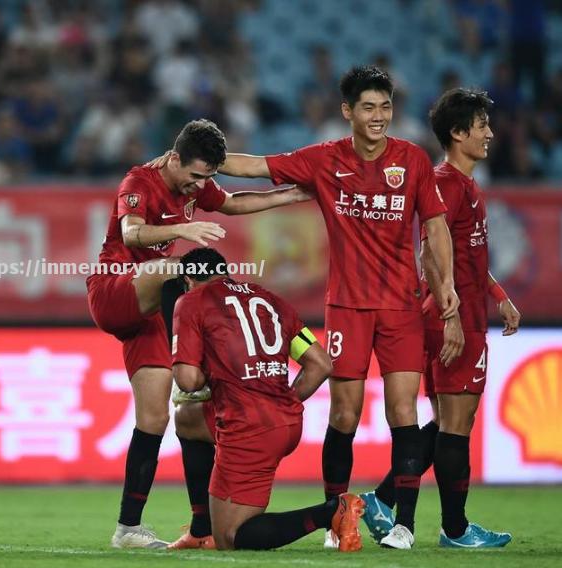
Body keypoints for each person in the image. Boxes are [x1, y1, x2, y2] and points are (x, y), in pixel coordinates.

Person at [177, 66, 461, 549]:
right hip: (347, 307)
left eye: (386, 107)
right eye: (368, 107)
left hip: (400, 307)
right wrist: (200, 159)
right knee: (344, 417)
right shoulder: (324, 159)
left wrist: (447, 284)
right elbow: (255, 166)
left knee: (402, 412)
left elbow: (435, 226)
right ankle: (339, 519)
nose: (379, 117)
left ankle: (403, 525)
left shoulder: (411, 159)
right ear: (348, 112)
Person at [87, 118, 309, 549]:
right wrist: (182, 230)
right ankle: (189, 373)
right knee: (183, 269)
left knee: (159, 418)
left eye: (205, 178)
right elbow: (131, 231)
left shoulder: (195, 182)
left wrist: (290, 195)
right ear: (173, 159)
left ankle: (130, 528)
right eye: (193, 177)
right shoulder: (139, 180)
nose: (198, 187)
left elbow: (233, 203)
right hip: (115, 289)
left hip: (152, 310)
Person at [359, 88, 519, 548]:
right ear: (457, 132)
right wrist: (451, 314)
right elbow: (429, 250)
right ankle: (455, 529)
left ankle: (381, 499)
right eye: (481, 125)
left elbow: (465, 255)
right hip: (456, 318)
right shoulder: (447, 183)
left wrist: (499, 294)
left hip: (454, 311)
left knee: (445, 423)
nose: (489, 133)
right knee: (457, 426)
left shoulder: (461, 183)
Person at [171, 247, 364, 552]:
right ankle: (199, 529)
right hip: (285, 419)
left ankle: (331, 512)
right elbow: (321, 364)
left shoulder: (192, 301)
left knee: (231, 539)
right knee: (186, 419)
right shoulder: (272, 302)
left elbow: (187, 380)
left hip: (248, 427)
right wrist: (283, 402)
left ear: (189, 279)